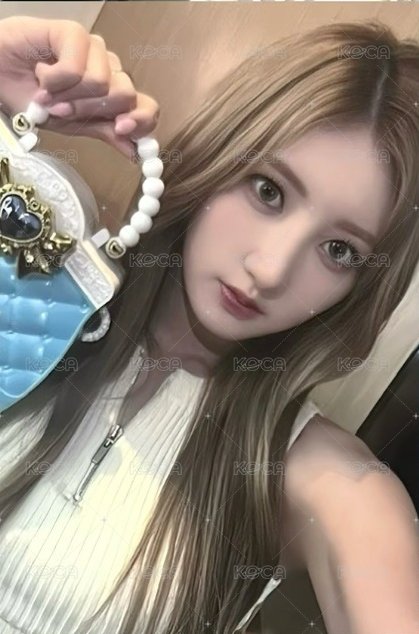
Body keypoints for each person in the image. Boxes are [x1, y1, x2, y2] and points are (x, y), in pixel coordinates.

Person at [0, 14, 417, 634]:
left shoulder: (314, 478)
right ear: (218, 154)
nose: (270, 269)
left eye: (340, 251)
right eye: (268, 191)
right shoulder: (33, 285)